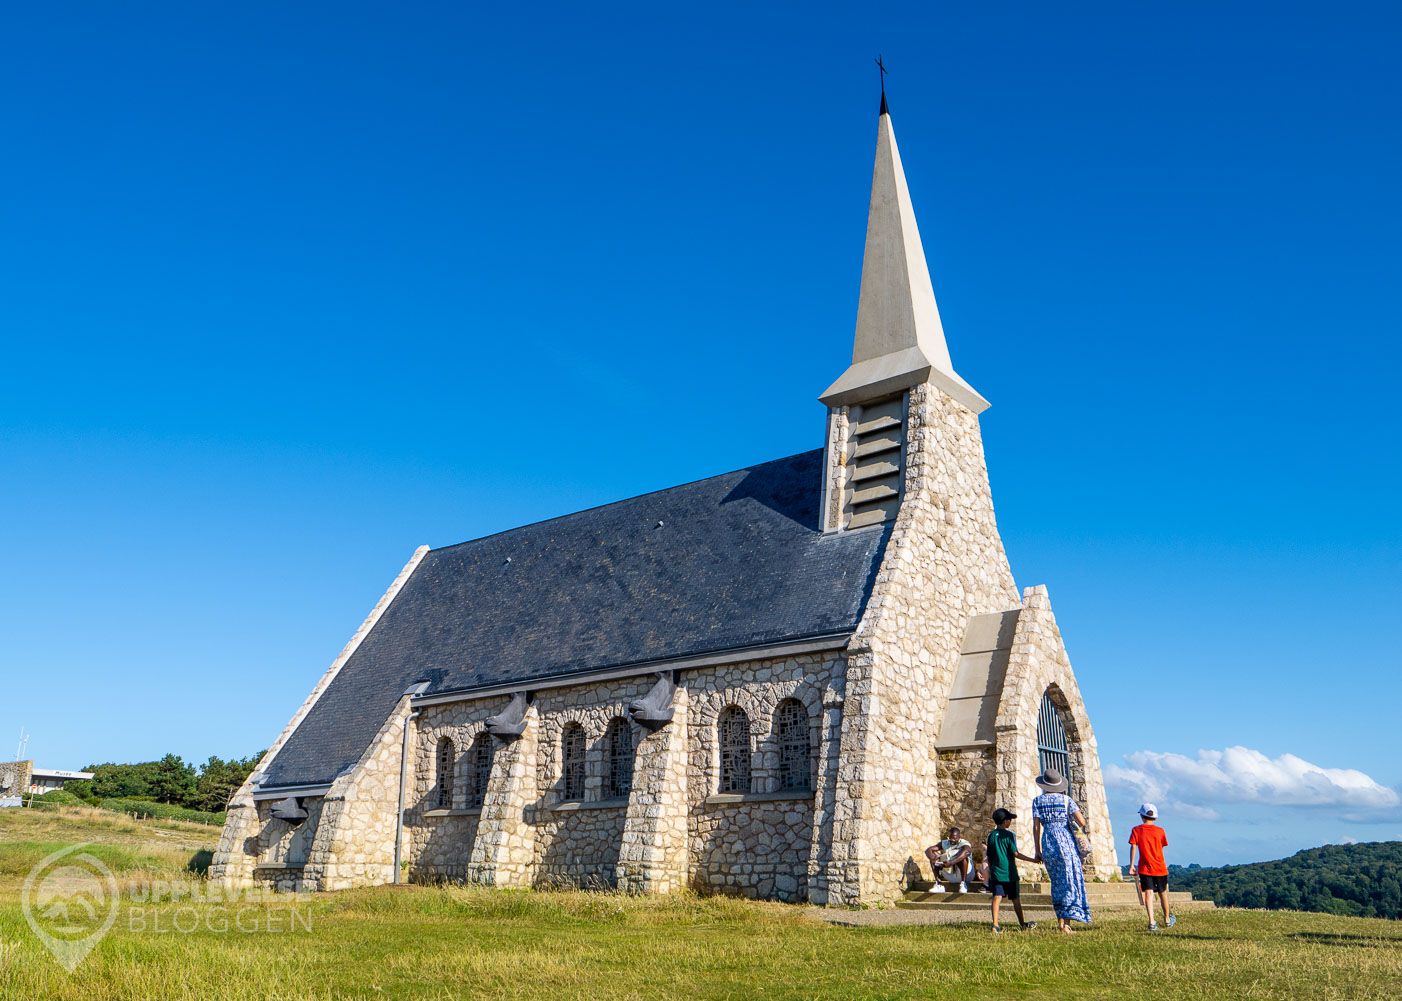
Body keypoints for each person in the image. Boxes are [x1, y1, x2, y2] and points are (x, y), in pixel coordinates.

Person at [1030, 767, 1092, 933]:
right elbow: (1082, 822)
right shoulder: (1066, 801)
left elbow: (1036, 828)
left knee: (1057, 883)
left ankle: (1060, 921)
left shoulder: (1037, 801)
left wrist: (1037, 849)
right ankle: (1067, 923)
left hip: (1048, 841)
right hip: (1065, 841)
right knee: (1069, 881)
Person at [986, 807, 1038, 933]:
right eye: (1009, 819)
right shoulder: (1010, 835)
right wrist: (1032, 860)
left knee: (997, 897)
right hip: (1010, 873)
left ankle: (995, 925)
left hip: (996, 872)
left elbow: (989, 855)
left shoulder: (991, 835)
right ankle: (1022, 923)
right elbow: (1015, 853)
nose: (1010, 822)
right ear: (1005, 821)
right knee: (1015, 899)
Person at [1127, 802, 1176, 931]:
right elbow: (1162, 845)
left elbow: (1133, 847)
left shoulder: (1136, 830)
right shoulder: (1160, 831)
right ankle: (1166, 919)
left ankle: (1152, 922)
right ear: (1155, 817)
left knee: (1148, 894)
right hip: (1160, 867)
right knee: (1162, 893)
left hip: (1144, 867)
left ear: (1142, 816)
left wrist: (1132, 865)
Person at [925, 826, 972, 892]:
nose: (952, 840)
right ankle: (939, 884)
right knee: (933, 857)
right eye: (950, 838)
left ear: (959, 838)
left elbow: (967, 851)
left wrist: (951, 863)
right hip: (951, 875)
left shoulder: (964, 843)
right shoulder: (946, 843)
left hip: (967, 875)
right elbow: (928, 850)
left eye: (954, 838)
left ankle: (963, 884)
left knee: (963, 857)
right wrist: (934, 859)